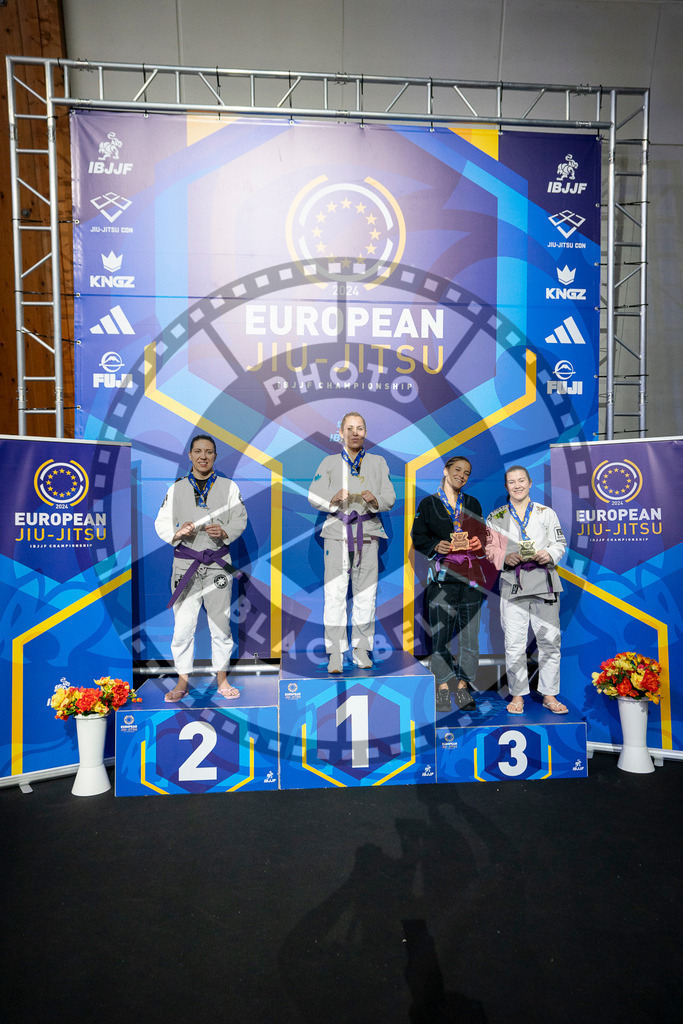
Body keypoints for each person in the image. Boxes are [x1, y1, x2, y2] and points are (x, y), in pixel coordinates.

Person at [155, 434, 247, 702]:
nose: (203, 456)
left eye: (209, 452)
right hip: (185, 564)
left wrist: (226, 530)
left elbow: (240, 518)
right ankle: (182, 681)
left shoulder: (229, 487)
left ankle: (222, 679)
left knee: (221, 624)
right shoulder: (177, 488)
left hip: (217, 563)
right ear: (190, 455)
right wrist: (177, 532)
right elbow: (161, 523)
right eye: (198, 451)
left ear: (215, 457)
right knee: (183, 627)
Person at [308, 411, 395, 673]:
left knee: (366, 595)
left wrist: (375, 499)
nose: (354, 433)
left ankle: (361, 650)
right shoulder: (329, 462)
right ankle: (335, 652)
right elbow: (314, 496)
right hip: (336, 532)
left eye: (359, 428)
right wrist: (332, 498)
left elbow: (390, 497)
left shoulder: (378, 462)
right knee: (334, 595)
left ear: (365, 432)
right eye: (349, 428)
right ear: (341, 433)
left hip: (368, 532)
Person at [485, 465, 568, 715]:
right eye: (512, 481)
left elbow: (559, 543)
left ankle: (550, 695)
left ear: (530, 483)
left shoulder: (545, 513)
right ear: (506, 486)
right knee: (514, 644)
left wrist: (549, 554)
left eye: (521, 480)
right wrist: (504, 556)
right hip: (513, 583)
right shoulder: (496, 516)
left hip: (544, 583)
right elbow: (489, 549)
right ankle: (518, 694)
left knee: (550, 642)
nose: (517, 485)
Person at [411, 455, 487, 713]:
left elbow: (483, 536)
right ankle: (443, 689)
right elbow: (418, 537)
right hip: (442, 579)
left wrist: (478, 544)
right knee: (440, 638)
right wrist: (436, 546)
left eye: (466, 473)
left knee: (470, 639)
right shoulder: (429, 504)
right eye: (457, 470)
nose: (461, 475)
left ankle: (464, 687)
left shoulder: (473, 503)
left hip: (470, 579)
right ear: (445, 471)